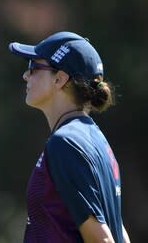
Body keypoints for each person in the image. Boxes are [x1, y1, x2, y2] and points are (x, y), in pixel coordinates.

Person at [8, 31, 130, 242]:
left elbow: (103, 239)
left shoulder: (65, 143)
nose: (25, 75)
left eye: (34, 67)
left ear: (60, 78)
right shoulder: (95, 138)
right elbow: (118, 230)